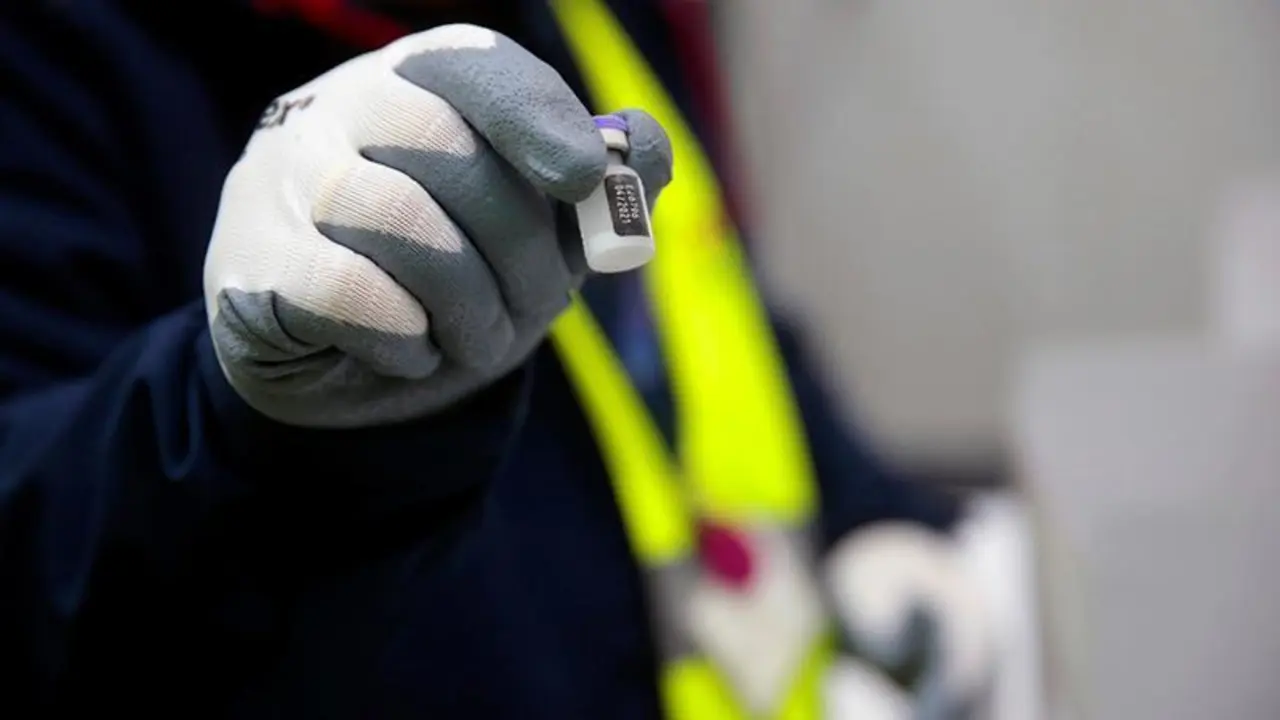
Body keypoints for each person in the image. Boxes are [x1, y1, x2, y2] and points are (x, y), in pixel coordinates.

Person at [0, 1, 994, 716]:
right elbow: (44, 566)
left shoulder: (594, 17)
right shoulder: (66, 56)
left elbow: (698, 312)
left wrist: (873, 519)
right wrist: (241, 419)